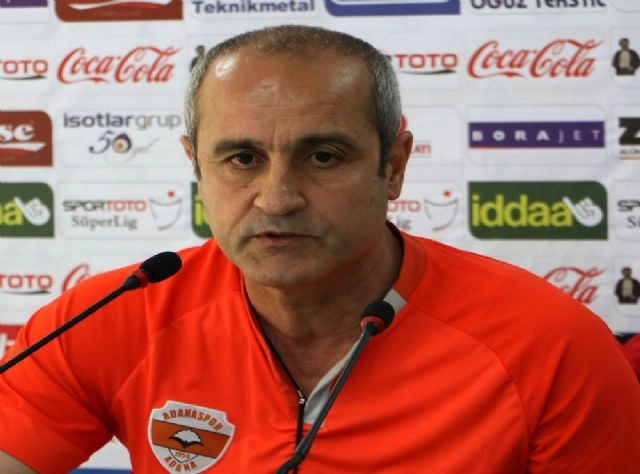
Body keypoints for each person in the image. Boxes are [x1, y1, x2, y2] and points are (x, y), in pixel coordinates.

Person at [1, 25, 640, 473]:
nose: (277, 198)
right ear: (196, 165)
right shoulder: (115, 313)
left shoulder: (549, 345)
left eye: (324, 156)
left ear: (394, 166)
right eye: (242, 158)